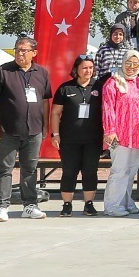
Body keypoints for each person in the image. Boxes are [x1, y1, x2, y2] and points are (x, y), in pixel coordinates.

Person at [0, 36, 51, 221]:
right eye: (17, 49)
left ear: (34, 53)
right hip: (8, 130)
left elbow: (45, 101)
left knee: (30, 169)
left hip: (34, 130)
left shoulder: (42, 73)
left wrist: (45, 125)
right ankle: (2, 207)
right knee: (4, 168)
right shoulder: (3, 71)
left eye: (24, 50)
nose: (19, 53)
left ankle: (30, 205)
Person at [48, 54, 103, 217]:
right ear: (76, 69)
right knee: (69, 171)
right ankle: (67, 204)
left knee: (90, 171)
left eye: (91, 68)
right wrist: (55, 134)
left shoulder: (99, 87)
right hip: (69, 139)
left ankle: (89, 204)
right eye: (84, 68)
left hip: (93, 139)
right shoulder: (66, 88)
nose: (88, 71)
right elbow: (55, 113)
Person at [99, 50, 139, 217]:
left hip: (136, 135)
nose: (131, 66)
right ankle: (112, 205)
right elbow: (107, 108)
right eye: (128, 63)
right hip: (119, 136)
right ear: (123, 62)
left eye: (135, 63)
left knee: (131, 170)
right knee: (119, 171)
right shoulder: (113, 82)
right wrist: (110, 130)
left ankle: (126, 201)